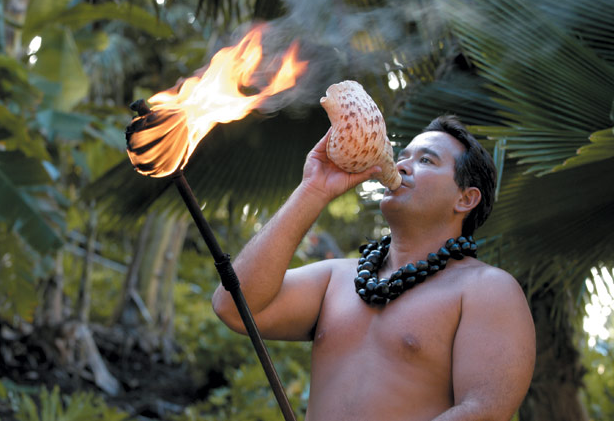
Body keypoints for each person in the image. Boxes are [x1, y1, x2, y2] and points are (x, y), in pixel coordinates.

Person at [212, 115, 535, 421]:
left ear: (466, 199)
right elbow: (234, 307)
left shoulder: (486, 288)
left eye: (426, 160)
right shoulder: (335, 278)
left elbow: (484, 411)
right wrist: (314, 189)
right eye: (402, 157)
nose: (401, 165)